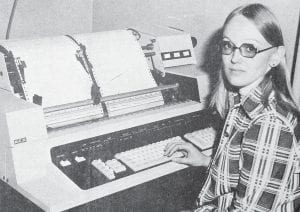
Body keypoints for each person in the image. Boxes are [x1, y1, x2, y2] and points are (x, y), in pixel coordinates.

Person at [164, 3, 300, 212]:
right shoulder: (243, 100)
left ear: (275, 56)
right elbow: (248, 174)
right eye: (228, 45)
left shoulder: (269, 123)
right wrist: (205, 161)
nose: (234, 58)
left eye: (249, 48)